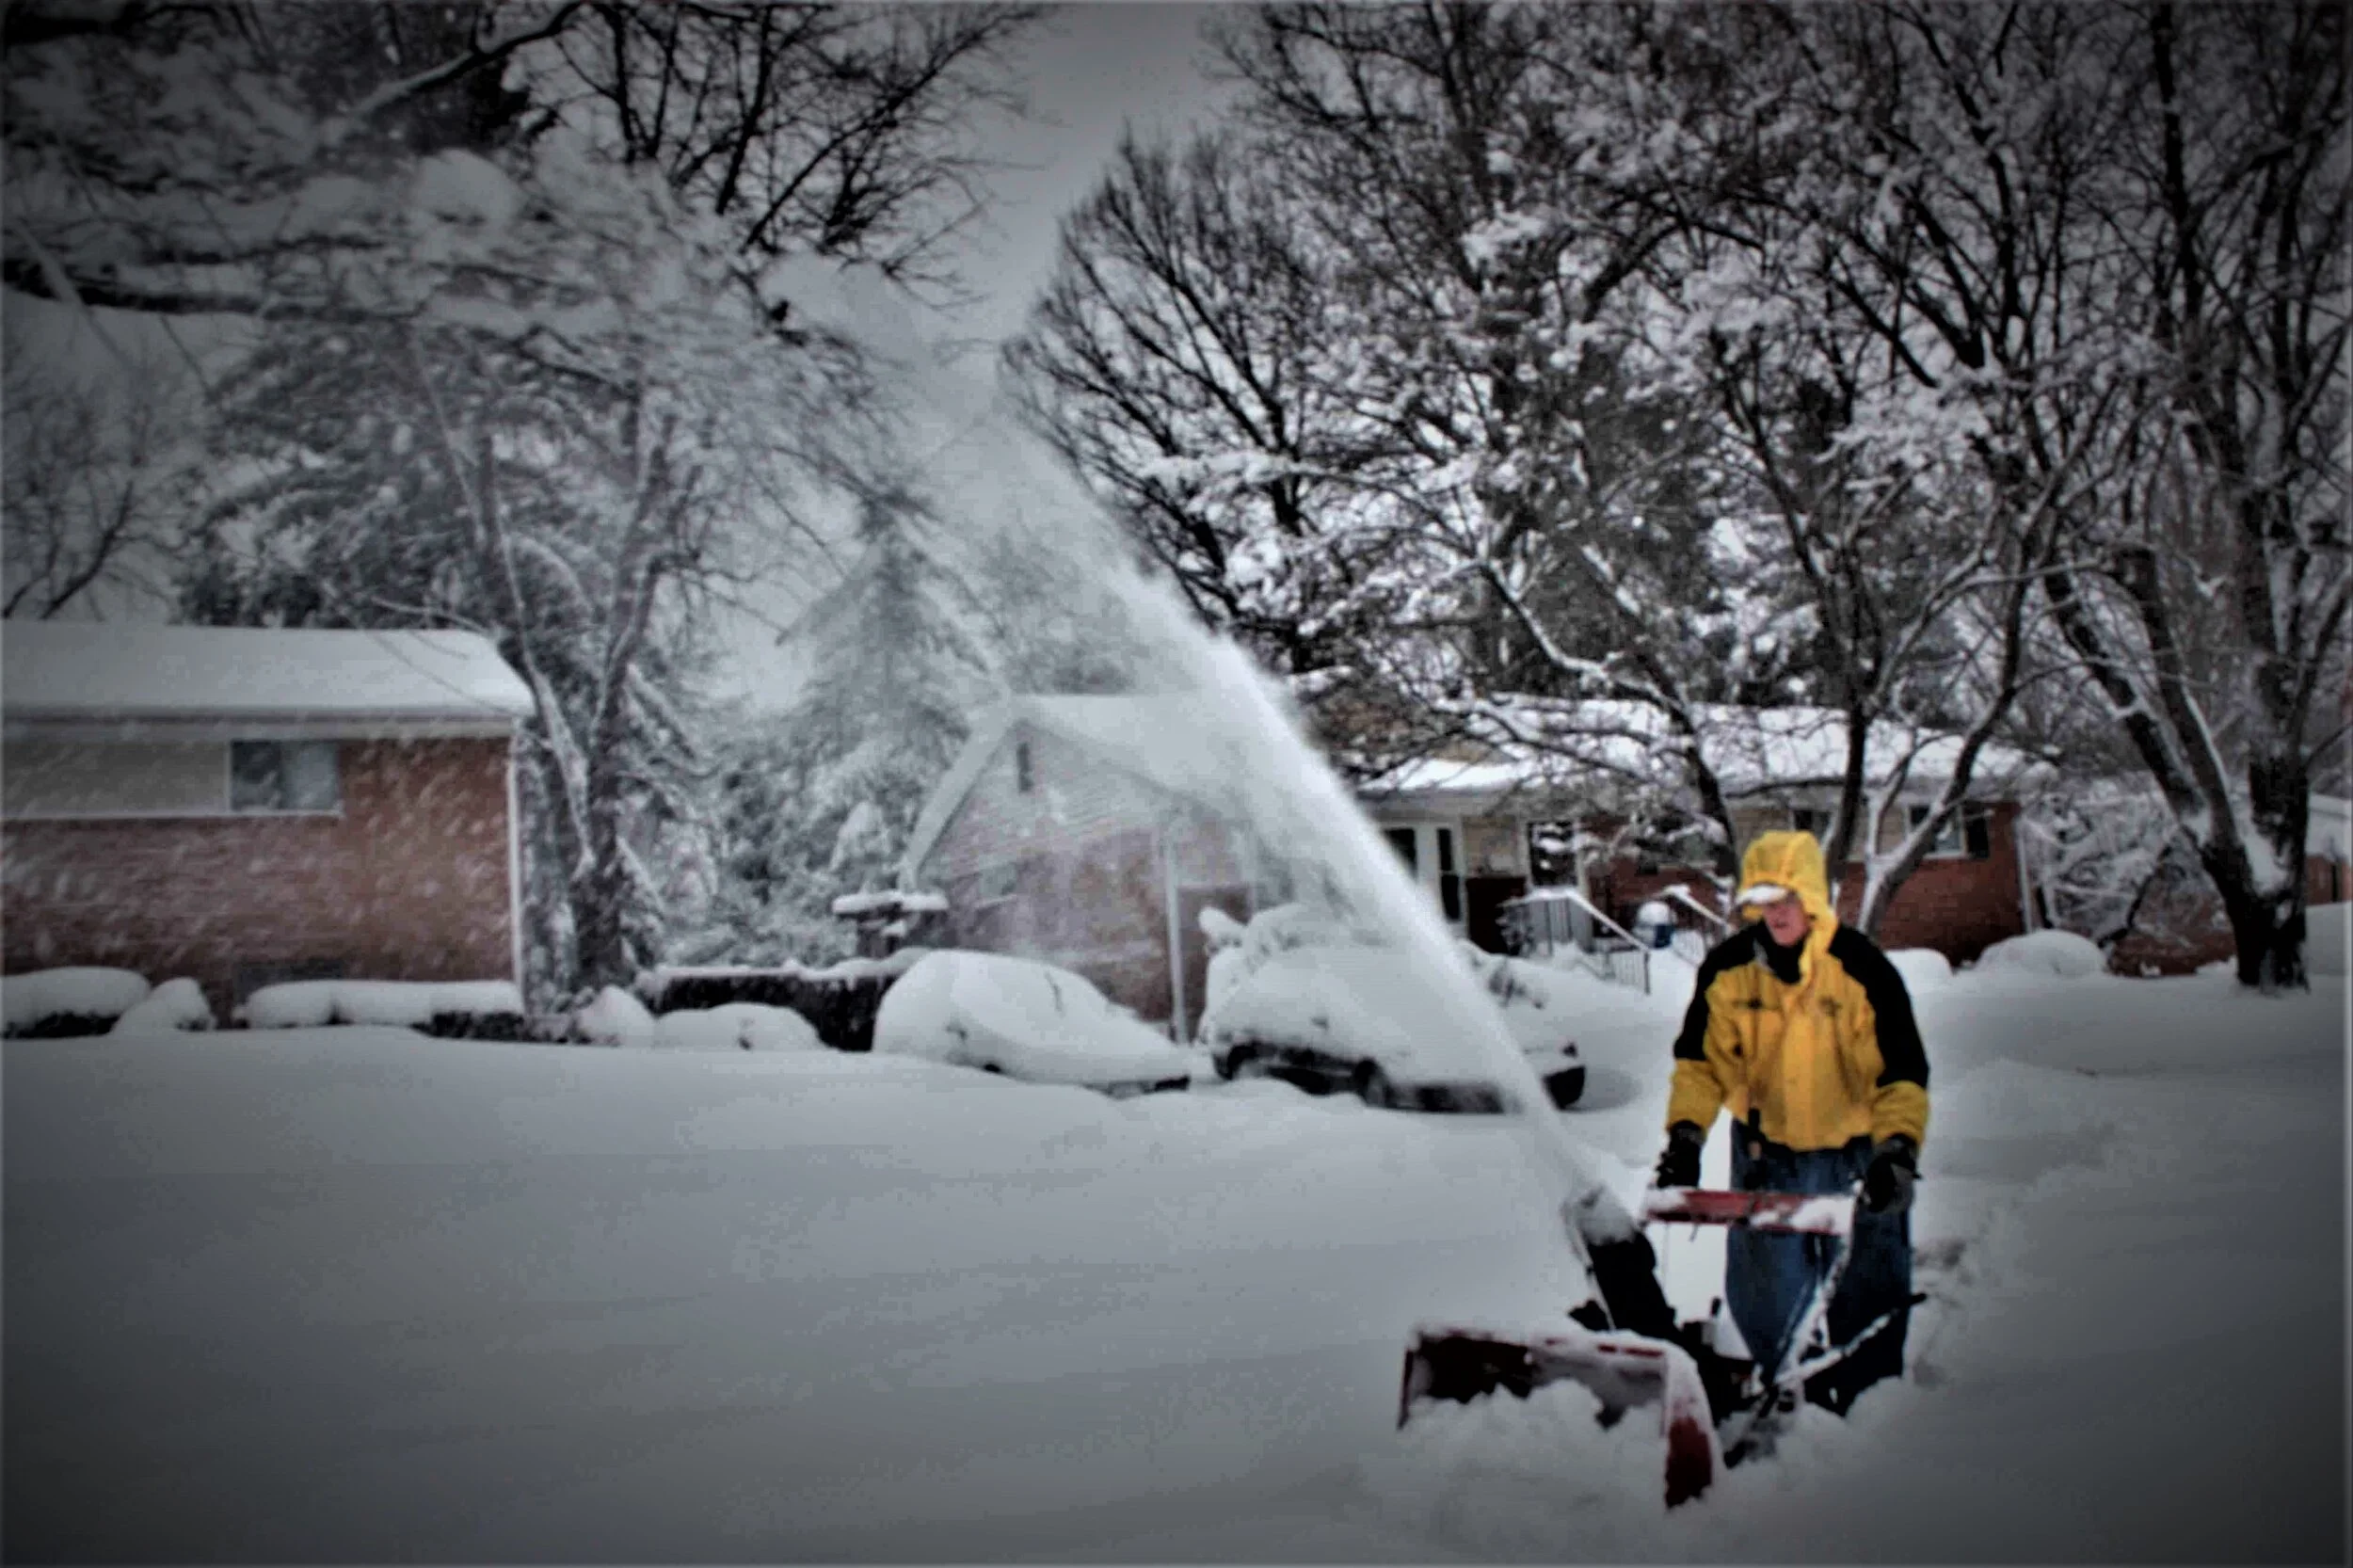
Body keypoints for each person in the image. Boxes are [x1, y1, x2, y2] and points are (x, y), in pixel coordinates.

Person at [1653, 829, 1928, 1416]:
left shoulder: (1858, 970)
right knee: (1764, 1291)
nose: (1774, 913)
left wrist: (1897, 1150)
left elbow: (1898, 1073)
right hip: (1765, 1153)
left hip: (1856, 1156)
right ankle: (1779, 1401)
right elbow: (1701, 1065)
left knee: (1867, 1285)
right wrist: (1685, 1136)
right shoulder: (1729, 971)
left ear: (1809, 896)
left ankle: (1870, 1412)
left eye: (1785, 898)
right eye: (1763, 900)